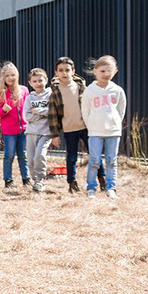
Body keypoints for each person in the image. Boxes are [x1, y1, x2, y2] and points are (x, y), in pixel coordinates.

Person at [82, 54, 129, 197]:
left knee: (111, 161)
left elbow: (121, 110)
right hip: (95, 131)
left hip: (113, 132)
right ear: (95, 71)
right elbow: (85, 111)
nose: (106, 74)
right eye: (102, 71)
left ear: (115, 72)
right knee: (95, 160)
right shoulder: (90, 91)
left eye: (109, 71)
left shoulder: (118, 90)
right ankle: (91, 188)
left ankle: (111, 188)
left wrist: (115, 123)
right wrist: (91, 126)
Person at [48, 57, 90, 194]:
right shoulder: (55, 92)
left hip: (86, 127)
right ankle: (72, 183)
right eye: (61, 70)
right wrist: (55, 135)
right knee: (71, 157)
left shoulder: (82, 87)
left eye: (67, 70)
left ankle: (101, 179)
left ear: (73, 71)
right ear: (56, 72)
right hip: (69, 129)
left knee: (94, 155)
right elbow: (53, 115)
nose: (64, 73)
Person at [0, 57, 28, 191]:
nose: (10, 78)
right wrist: (4, 110)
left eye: (13, 75)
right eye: (7, 75)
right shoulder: (0, 93)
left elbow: (28, 107)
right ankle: (8, 179)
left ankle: (26, 179)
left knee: (23, 155)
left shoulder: (24, 90)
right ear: (3, 77)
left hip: (24, 129)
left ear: (17, 75)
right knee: (9, 155)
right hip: (9, 131)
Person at [20, 66, 52, 193]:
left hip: (46, 132)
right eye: (34, 81)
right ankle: (35, 179)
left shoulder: (51, 95)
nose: (38, 83)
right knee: (31, 157)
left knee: (40, 154)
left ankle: (40, 179)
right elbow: (27, 116)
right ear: (30, 83)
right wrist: (43, 115)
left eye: (40, 80)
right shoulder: (29, 98)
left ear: (46, 80)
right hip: (31, 131)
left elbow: (53, 112)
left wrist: (39, 111)